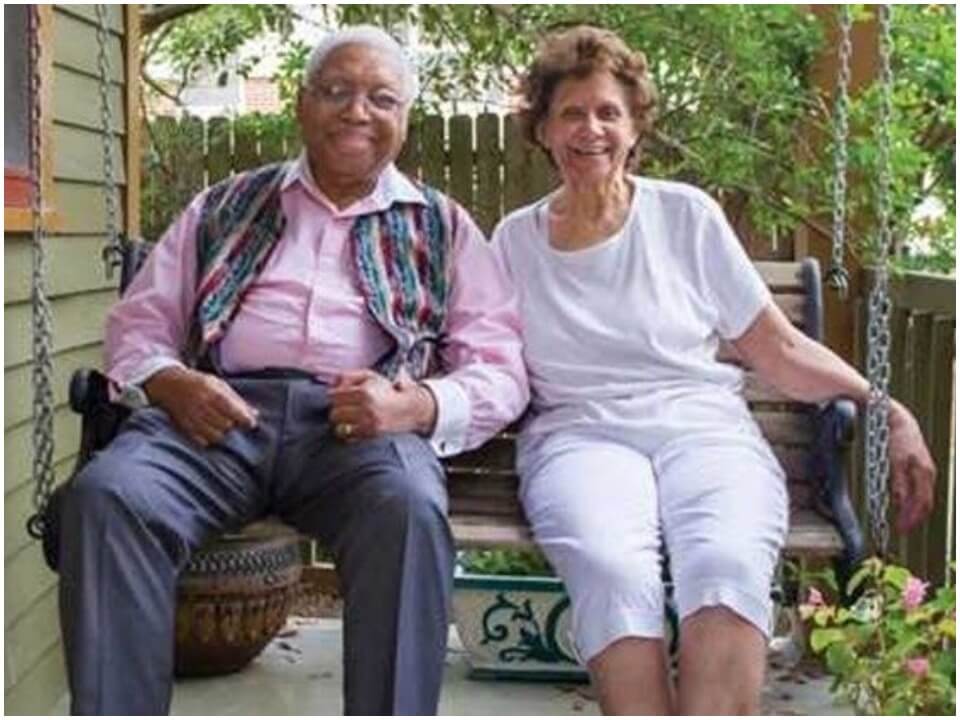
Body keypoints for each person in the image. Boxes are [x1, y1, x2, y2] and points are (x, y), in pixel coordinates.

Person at [58, 26, 528, 716]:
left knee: (407, 514)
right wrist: (170, 381)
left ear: (404, 119)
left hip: (361, 431)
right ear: (302, 106)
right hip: (216, 419)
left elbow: (499, 365)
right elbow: (140, 324)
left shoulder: (441, 225)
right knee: (107, 500)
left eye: (381, 97)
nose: (357, 111)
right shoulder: (224, 206)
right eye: (335, 92)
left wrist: (416, 405)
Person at [491, 25, 936, 715]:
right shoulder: (514, 241)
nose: (591, 129)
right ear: (543, 129)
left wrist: (886, 406)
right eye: (570, 113)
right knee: (612, 567)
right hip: (579, 437)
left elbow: (778, 350)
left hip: (704, 431)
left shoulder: (686, 216)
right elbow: (485, 361)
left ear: (636, 125)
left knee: (726, 562)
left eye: (609, 111)